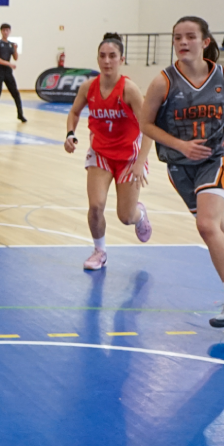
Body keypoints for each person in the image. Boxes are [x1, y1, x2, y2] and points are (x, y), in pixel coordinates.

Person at [139, 16, 224, 328]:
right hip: (180, 166)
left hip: (216, 158)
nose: (183, 42)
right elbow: (145, 124)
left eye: (190, 36)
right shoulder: (163, 81)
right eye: (178, 37)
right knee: (221, 229)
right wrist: (180, 146)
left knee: (206, 225)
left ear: (205, 41)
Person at [64, 33, 154, 270]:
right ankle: (99, 251)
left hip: (129, 157)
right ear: (97, 59)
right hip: (100, 154)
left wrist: (141, 161)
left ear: (121, 59)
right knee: (95, 206)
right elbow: (74, 112)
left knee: (125, 217)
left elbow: (148, 126)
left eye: (112, 56)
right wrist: (70, 134)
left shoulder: (129, 90)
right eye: (103, 56)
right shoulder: (88, 87)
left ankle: (140, 215)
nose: (107, 61)